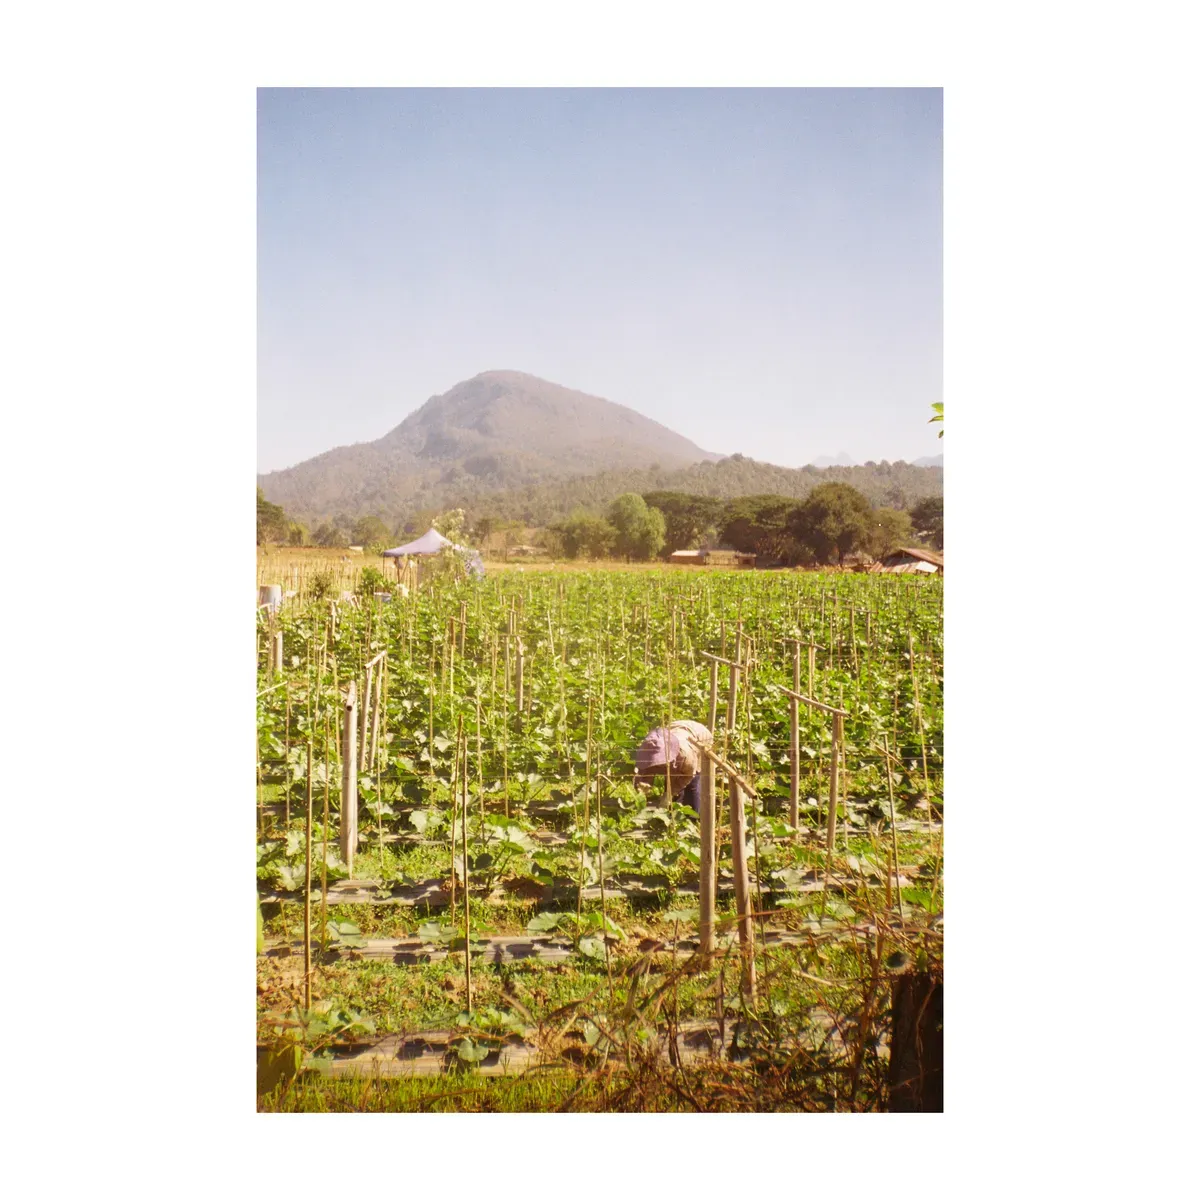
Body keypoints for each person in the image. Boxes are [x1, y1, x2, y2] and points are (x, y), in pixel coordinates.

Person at [634, 720, 713, 813]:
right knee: (670, 778)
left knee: (692, 785)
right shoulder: (651, 748)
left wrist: (669, 793)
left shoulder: (686, 756)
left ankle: (693, 818)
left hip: (700, 735)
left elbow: (688, 776)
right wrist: (643, 785)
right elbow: (646, 769)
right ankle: (672, 810)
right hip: (677, 727)